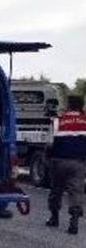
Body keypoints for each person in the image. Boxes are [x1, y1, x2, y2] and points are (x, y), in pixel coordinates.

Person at [45, 93, 86, 235]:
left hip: (59, 161)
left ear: (68, 106)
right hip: (78, 162)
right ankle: (74, 221)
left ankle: (54, 218)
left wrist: (48, 158)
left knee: (56, 189)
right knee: (76, 191)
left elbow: (49, 144)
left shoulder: (58, 120)